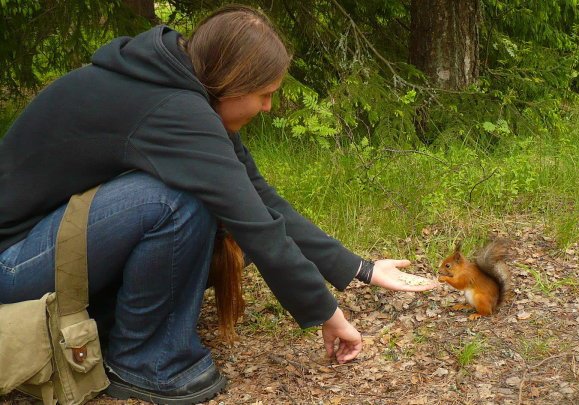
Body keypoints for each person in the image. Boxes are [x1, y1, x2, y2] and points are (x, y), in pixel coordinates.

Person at [0, 4, 437, 405]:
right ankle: (144, 361)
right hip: (12, 266)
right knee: (179, 201)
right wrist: (327, 315)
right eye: (264, 94)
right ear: (232, 82)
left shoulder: (177, 86)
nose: (267, 108)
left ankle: (114, 326)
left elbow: (260, 198)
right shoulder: (174, 108)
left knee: (207, 208)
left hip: (41, 249)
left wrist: (358, 267)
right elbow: (255, 225)